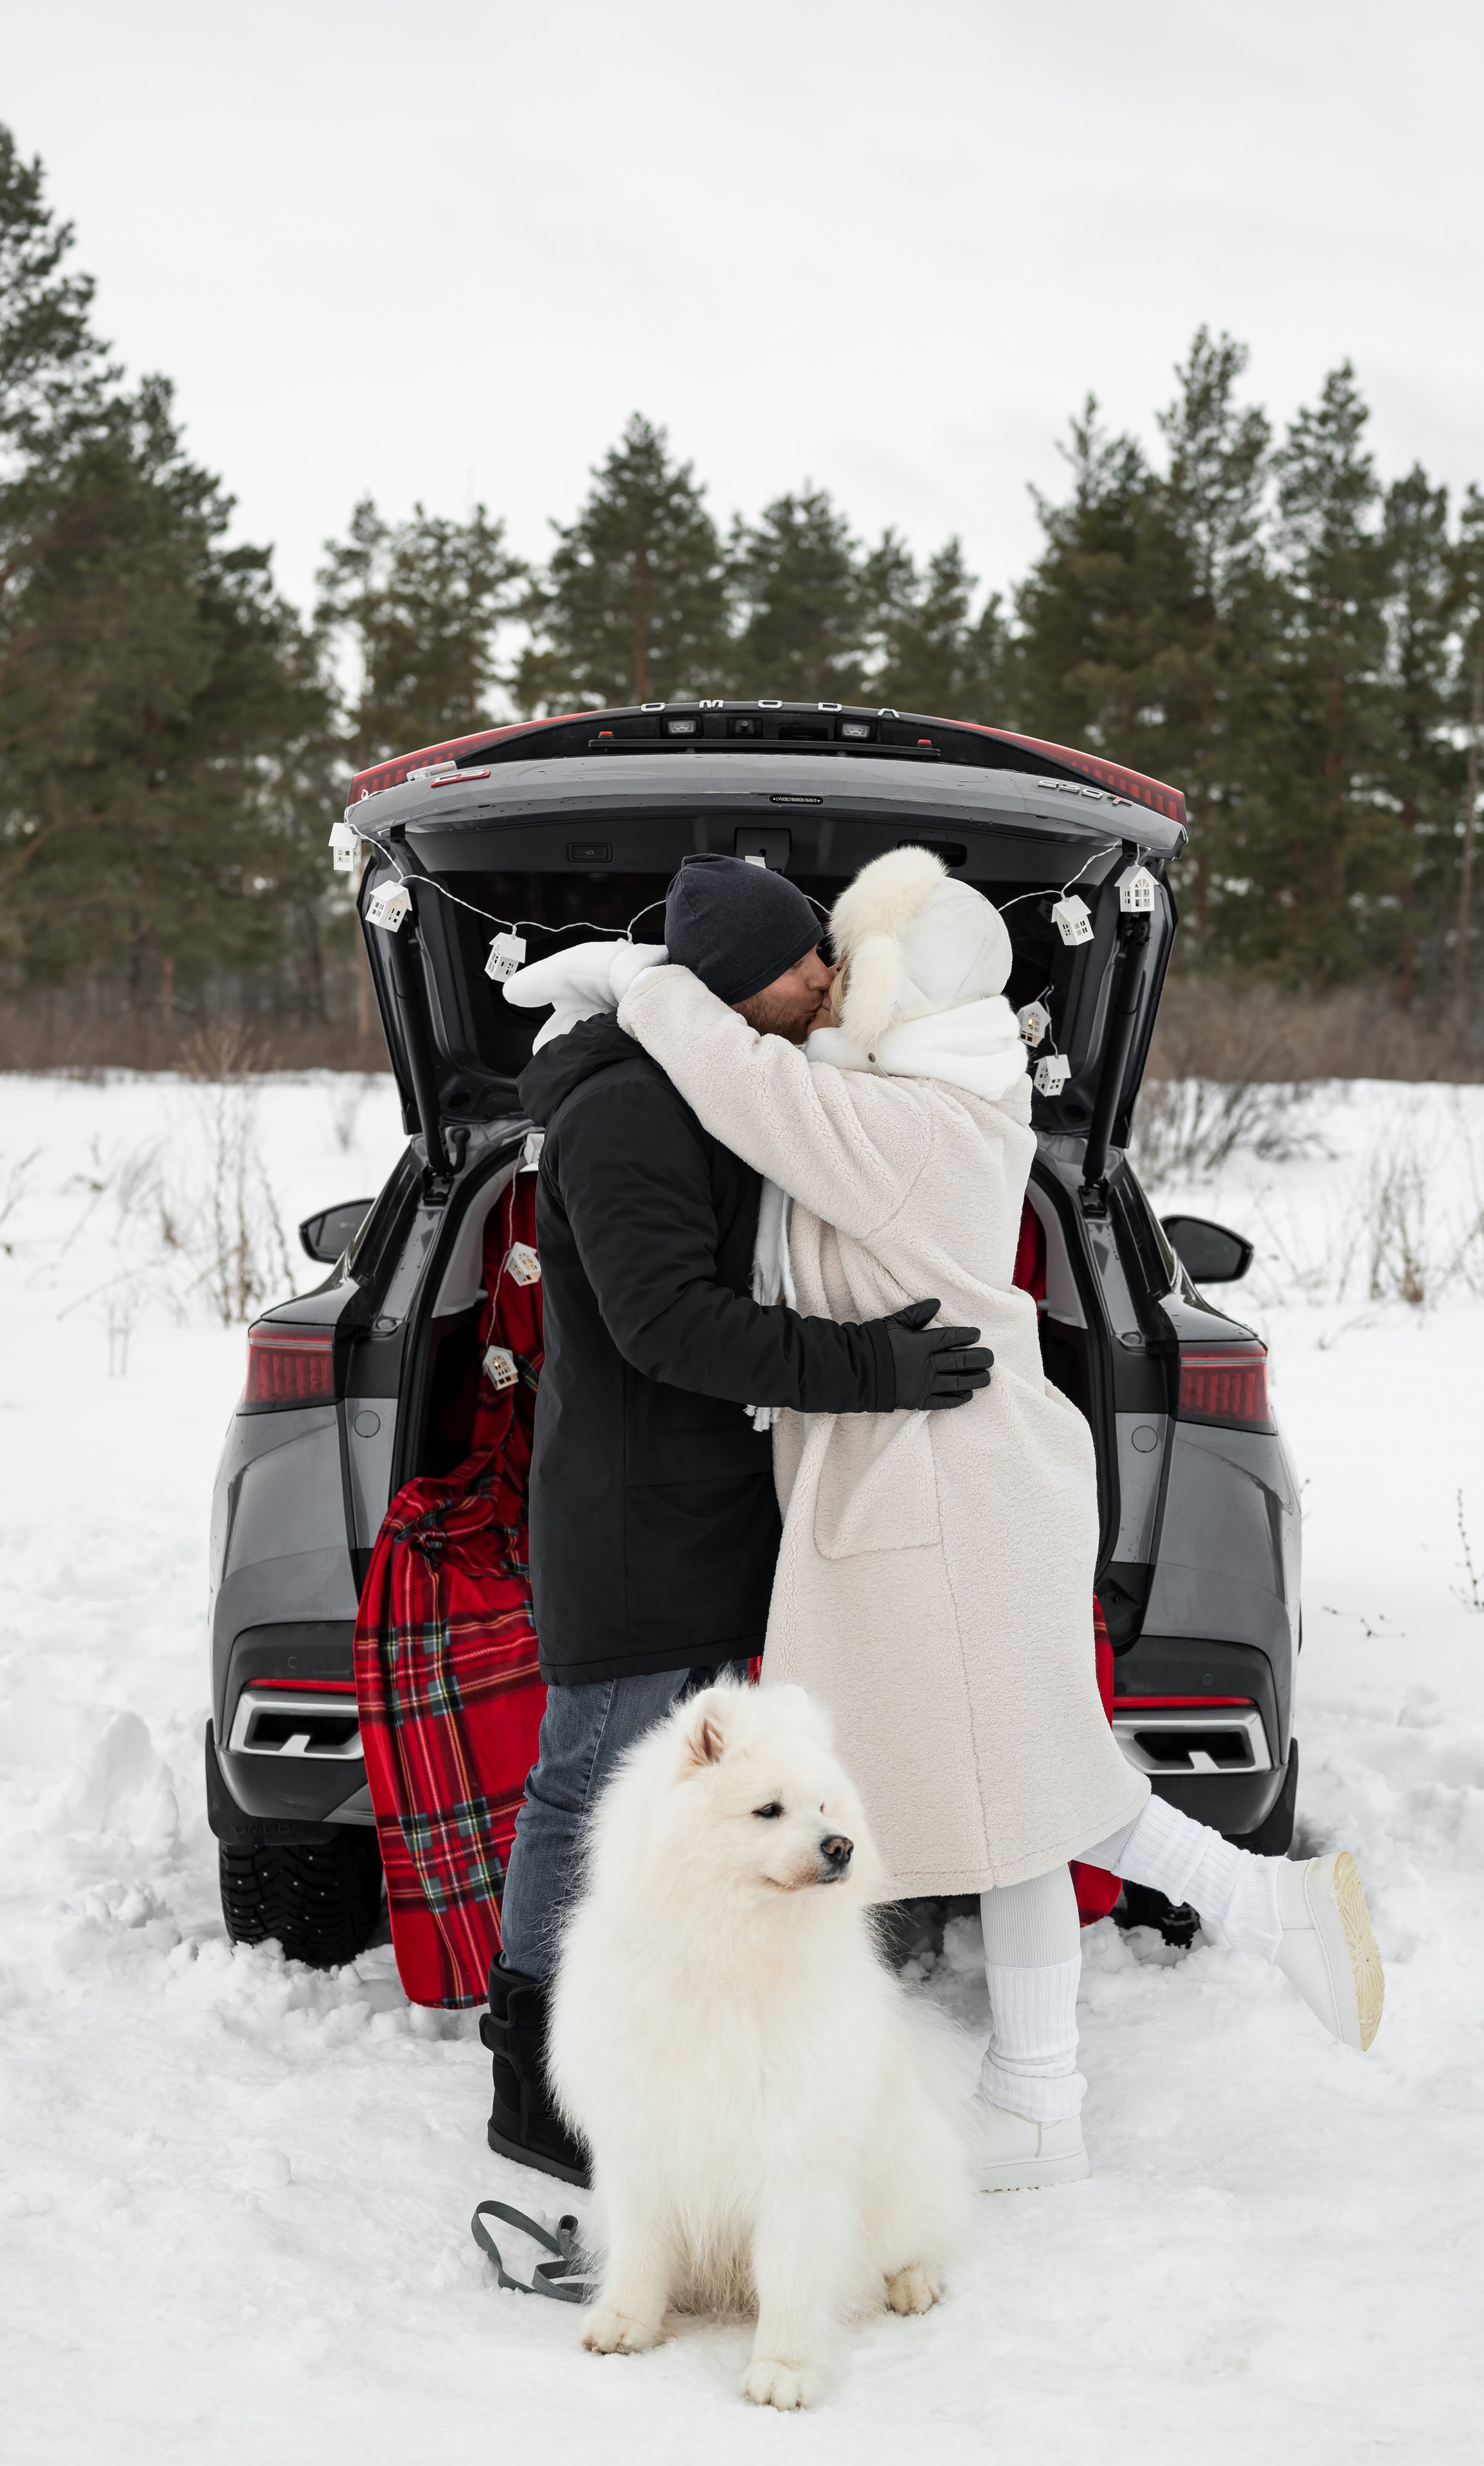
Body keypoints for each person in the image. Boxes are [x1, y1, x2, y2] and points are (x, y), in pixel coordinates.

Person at [605, 844, 1384, 2194]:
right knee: (1014, 1797)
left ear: (905, 992)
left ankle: (1249, 1922)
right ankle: (1045, 2096)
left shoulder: (913, 1129)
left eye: (851, 963)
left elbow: (740, 1080)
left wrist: (639, 978)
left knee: (1017, 1795)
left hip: (946, 1504)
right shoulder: (930, 1096)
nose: (834, 984)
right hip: (958, 1490)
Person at [482, 853, 994, 2184]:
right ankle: (534, 2086)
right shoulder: (625, 1115)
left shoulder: (710, 1094)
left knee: (675, 1807)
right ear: (730, 982)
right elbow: (666, 1325)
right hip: (633, 1526)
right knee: (587, 1788)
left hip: (702, 1520)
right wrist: (871, 1366)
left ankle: (642, 2058)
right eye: (805, 960)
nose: (828, 978)